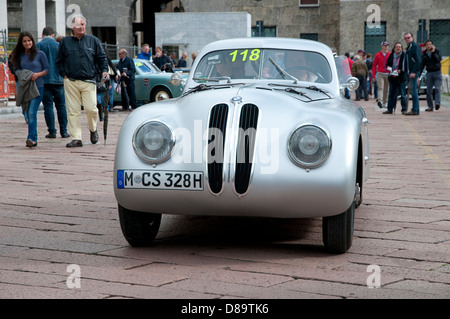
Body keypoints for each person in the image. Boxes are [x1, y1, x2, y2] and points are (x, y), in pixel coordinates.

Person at [56, 14, 108, 147]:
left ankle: (93, 129)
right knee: (73, 111)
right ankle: (76, 138)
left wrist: (104, 71)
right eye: (79, 25)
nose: (81, 27)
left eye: (83, 25)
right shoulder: (65, 42)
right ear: (72, 27)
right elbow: (59, 61)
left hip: (89, 81)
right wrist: (64, 75)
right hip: (71, 81)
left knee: (91, 109)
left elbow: (102, 58)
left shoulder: (93, 40)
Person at [10, 31, 49, 147]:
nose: (27, 43)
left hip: (38, 87)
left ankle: (30, 138)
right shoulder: (18, 56)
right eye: (25, 41)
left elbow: (47, 69)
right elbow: (15, 70)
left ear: (32, 41)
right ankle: (34, 138)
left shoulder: (40, 54)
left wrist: (37, 74)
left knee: (32, 112)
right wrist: (23, 75)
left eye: (29, 40)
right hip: (25, 87)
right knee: (27, 111)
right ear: (21, 43)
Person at [36, 27, 69, 139]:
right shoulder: (59, 45)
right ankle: (64, 131)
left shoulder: (38, 46)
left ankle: (52, 131)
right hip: (59, 80)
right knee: (61, 106)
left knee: (48, 107)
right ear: (53, 35)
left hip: (44, 80)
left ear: (42, 34)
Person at [383, 42, 407, 114]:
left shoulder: (404, 55)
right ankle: (390, 109)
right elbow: (387, 64)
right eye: (397, 47)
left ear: (402, 48)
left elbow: (406, 66)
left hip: (401, 77)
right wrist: (389, 68)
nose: (398, 48)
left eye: (399, 47)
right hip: (393, 77)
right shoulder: (391, 55)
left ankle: (404, 109)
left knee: (403, 94)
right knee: (391, 94)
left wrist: (401, 70)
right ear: (394, 48)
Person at [420, 40, 442, 112]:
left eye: (430, 44)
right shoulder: (424, 54)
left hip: (437, 72)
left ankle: (437, 103)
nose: (429, 46)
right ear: (425, 46)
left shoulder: (437, 51)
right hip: (429, 73)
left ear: (432, 45)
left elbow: (438, 60)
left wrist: (433, 53)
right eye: (427, 44)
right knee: (429, 90)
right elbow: (422, 65)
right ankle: (430, 106)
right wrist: (419, 75)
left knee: (437, 88)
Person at [403, 33, 422, 116]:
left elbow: (418, 60)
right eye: (405, 38)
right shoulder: (409, 47)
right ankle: (415, 109)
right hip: (409, 72)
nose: (407, 39)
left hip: (413, 72)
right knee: (412, 90)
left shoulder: (415, 46)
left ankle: (415, 109)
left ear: (412, 37)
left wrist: (414, 72)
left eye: (408, 38)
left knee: (413, 91)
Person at [372, 41, 391, 108]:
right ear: (382, 46)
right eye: (385, 46)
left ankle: (385, 102)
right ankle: (380, 100)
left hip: (388, 73)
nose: (386, 47)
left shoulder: (390, 54)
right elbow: (374, 65)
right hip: (380, 73)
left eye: (387, 46)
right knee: (380, 88)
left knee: (387, 89)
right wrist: (373, 76)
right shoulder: (378, 55)